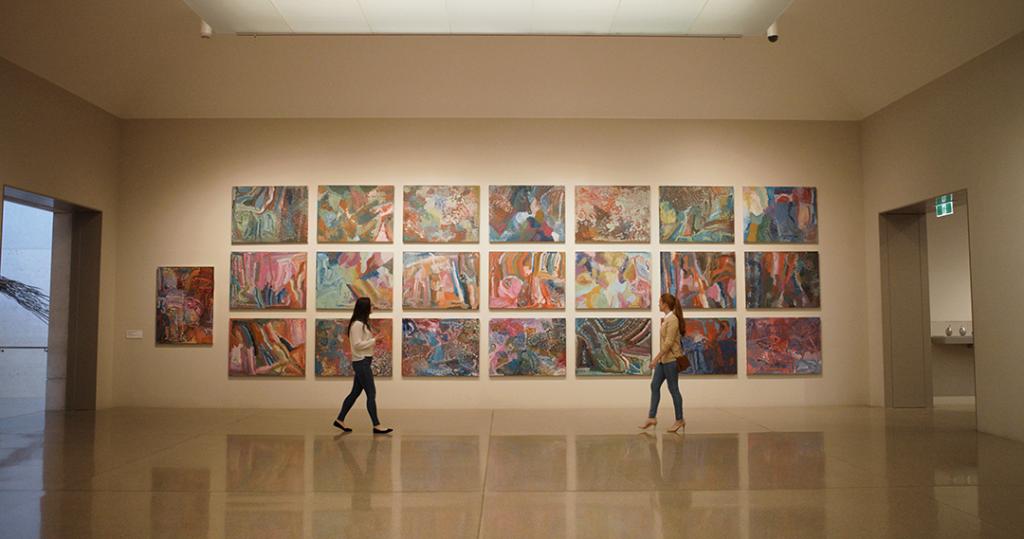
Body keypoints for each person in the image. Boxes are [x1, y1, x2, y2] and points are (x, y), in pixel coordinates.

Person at [333, 297, 393, 434]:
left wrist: (373, 341)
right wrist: (374, 340)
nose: (373, 307)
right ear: (365, 308)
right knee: (371, 393)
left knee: (354, 393)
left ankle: (340, 419)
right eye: (370, 305)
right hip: (361, 362)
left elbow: (362, 343)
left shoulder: (362, 324)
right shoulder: (357, 325)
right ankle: (376, 425)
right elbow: (356, 345)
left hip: (363, 362)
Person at [640, 293, 686, 433]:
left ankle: (679, 420)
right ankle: (651, 417)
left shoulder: (673, 320)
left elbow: (668, 344)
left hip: (671, 360)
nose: (658, 304)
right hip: (664, 360)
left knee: (674, 390)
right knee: (654, 385)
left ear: (665, 304)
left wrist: (655, 359)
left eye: (660, 302)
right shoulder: (667, 319)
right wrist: (659, 359)